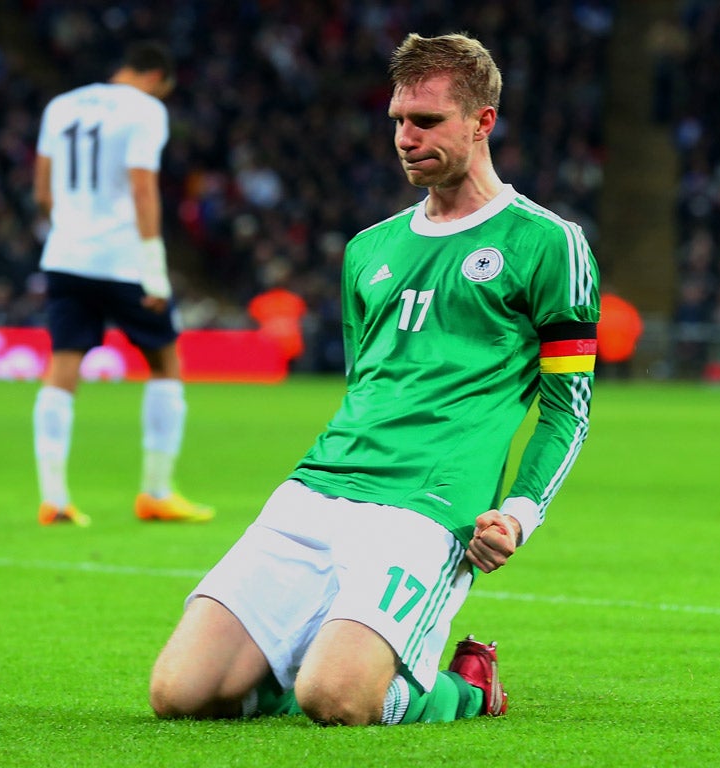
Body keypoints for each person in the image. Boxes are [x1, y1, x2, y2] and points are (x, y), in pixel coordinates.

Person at [148, 32, 599, 726]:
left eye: (426, 121)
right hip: (318, 488)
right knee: (180, 695)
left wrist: (517, 513)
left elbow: (567, 411)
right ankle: (313, 658)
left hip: (427, 507)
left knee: (338, 701)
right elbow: (364, 388)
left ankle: (471, 687)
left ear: (483, 123)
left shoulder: (546, 242)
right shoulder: (369, 249)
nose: (405, 138)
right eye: (397, 120)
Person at [31, 41, 212, 526]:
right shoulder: (146, 110)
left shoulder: (60, 105)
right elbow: (141, 185)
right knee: (165, 361)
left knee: (63, 365)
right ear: (158, 77)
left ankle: (55, 497)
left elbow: (42, 191)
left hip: (65, 255)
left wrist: (70, 230)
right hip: (123, 259)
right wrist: (153, 261)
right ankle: (155, 491)